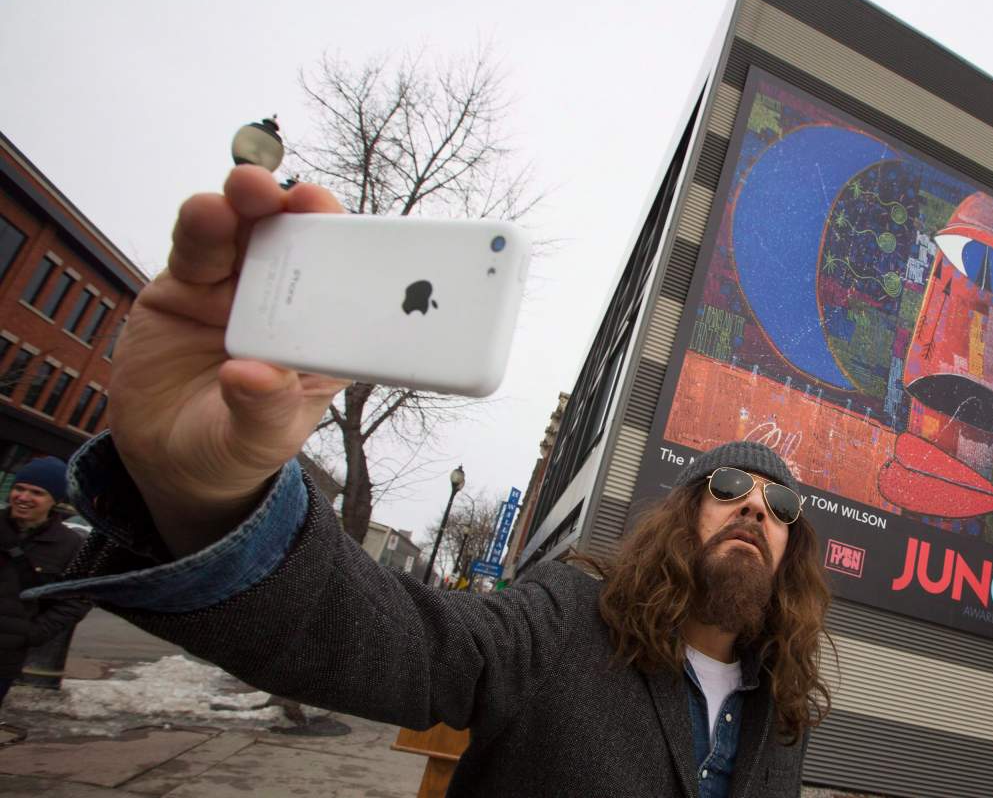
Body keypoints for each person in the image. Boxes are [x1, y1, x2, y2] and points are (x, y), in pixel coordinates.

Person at [28, 166, 832, 797]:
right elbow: (401, 644)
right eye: (729, 489)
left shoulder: (781, 711)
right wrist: (207, 494)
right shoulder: (569, 624)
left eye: (780, 507)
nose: (755, 509)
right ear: (682, 515)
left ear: (792, 546)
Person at [1, 458, 91, 710]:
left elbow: (77, 599)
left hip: (6, 655)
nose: (23, 497)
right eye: (19, 488)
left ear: (55, 500)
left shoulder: (69, 546)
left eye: (37, 492)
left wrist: (33, 633)